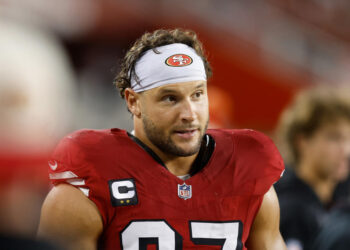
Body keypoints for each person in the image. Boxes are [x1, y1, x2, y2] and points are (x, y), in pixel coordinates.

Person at [37, 28, 286, 250]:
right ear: (133, 102)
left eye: (197, 95)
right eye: (170, 98)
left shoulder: (247, 174)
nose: (190, 114)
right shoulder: (88, 185)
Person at [274, 86, 350, 250]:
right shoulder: (290, 209)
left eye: (348, 139)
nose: (346, 150)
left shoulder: (336, 198)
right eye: (334, 138)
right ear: (302, 141)